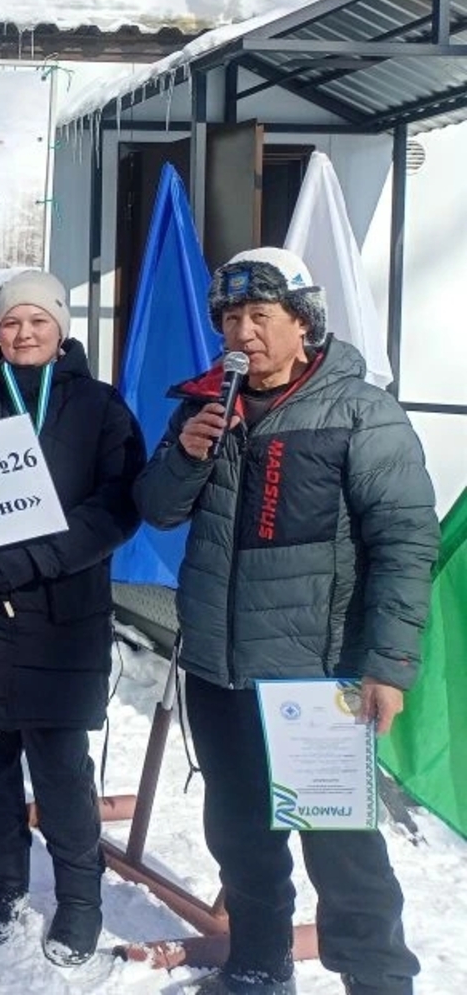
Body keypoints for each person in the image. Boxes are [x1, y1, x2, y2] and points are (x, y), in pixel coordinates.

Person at [133, 247, 437, 995]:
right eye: (231, 318)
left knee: (342, 851)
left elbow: (405, 542)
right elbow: (157, 509)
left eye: (261, 317)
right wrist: (188, 455)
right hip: (219, 669)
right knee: (239, 838)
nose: (244, 334)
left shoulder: (359, 411)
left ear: (304, 323)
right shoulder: (205, 405)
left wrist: (387, 666)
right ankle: (258, 965)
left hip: (317, 678)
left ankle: (377, 980)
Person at [0, 269, 145, 967]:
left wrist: (30, 561)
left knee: (58, 765)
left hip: (58, 610)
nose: (23, 334)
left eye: (37, 322)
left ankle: (80, 897)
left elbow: (117, 508)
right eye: (12, 323)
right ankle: (5, 878)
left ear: (61, 328)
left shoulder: (102, 409)